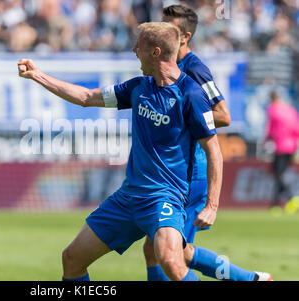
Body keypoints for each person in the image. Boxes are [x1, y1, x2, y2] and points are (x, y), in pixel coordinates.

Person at [19, 21, 223, 281]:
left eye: (140, 45)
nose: (134, 49)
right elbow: (85, 97)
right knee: (71, 260)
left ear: (156, 52)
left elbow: (214, 150)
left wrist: (212, 205)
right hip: (128, 198)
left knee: (171, 261)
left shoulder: (191, 95)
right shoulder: (138, 87)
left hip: (165, 198)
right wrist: (38, 75)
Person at [142, 4, 272, 282]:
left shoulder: (195, 69)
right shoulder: (164, 66)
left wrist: (181, 116)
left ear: (185, 37)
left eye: (170, 28)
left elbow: (223, 115)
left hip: (192, 172)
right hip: (177, 170)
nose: (162, 31)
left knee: (163, 249)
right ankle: (250, 279)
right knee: (171, 249)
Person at [265, 91, 299, 209]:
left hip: (280, 146)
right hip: (292, 146)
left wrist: (266, 141)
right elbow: (296, 128)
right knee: (279, 174)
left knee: (278, 174)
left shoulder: (272, 109)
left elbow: (270, 129)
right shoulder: (290, 109)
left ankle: (291, 197)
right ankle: (275, 204)